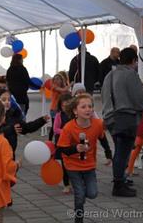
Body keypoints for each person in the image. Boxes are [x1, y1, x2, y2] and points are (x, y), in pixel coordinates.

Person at [102, 47, 143, 197]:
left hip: (110, 117)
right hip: (125, 117)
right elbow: (140, 99)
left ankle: (120, 179)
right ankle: (118, 185)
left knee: (119, 151)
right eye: (136, 62)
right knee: (123, 152)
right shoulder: (130, 74)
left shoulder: (110, 74)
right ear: (134, 60)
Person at [57, 93, 108, 223]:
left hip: (89, 165)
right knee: (79, 196)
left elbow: (102, 138)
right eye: (83, 107)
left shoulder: (97, 124)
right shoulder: (68, 127)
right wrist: (75, 148)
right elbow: (62, 149)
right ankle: (78, 219)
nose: (88, 109)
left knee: (92, 194)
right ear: (75, 111)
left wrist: (108, 154)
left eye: (90, 106)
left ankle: (82, 192)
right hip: (72, 166)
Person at [0, 89, 49, 158]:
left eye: (9, 100)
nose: (7, 102)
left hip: (10, 154)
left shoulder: (13, 115)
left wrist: (41, 121)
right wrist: (11, 129)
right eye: (3, 100)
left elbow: (26, 128)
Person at [53, 93, 73, 194]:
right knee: (64, 164)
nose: (66, 108)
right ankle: (66, 184)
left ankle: (75, 181)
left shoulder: (76, 114)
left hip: (73, 142)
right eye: (64, 106)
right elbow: (55, 129)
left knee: (74, 163)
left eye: (68, 105)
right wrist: (66, 132)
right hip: (62, 143)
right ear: (61, 106)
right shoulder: (59, 115)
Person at [49, 73, 71, 141]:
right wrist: (71, 84)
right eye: (54, 79)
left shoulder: (63, 88)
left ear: (62, 80)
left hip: (61, 109)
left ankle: (60, 139)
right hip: (54, 110)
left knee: (61, 126)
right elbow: (64, 90)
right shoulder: (54, 87)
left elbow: (67, 95)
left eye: (58, 79)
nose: (56, 80)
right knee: (54, 127)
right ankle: (50, 140)